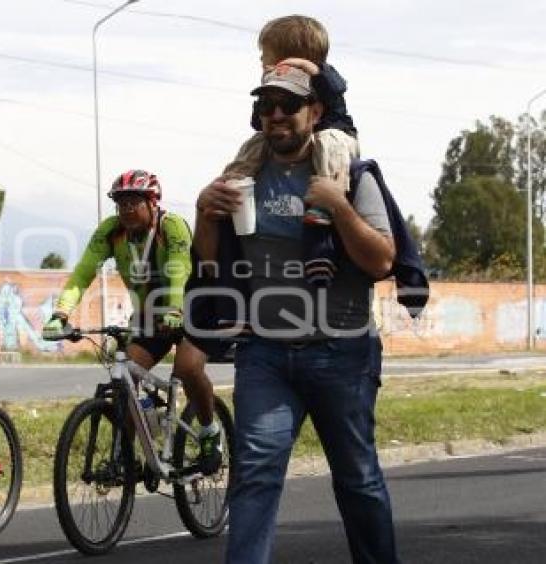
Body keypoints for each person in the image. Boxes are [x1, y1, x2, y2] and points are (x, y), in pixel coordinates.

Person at [193, 63, 401, 563]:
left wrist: (339, 207)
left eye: (289, 105)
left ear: (316, 111)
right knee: (255, 476)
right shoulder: (241, 176)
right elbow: (208, 260)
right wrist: (203, 211)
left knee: (358, 479)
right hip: (265, 352)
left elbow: (382, 259)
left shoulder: (351, 174)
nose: (277, 115)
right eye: (267, 106)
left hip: (342, 349)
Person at [41, 170, 223, 473]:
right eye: (120, 203)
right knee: (124, 382)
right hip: (149, 315)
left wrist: (175, 310)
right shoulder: (111, 231)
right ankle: (130, 454)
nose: (126, 210)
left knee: (188, 369)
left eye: (133, 202)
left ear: (153, 203)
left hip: (191, 308)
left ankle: (209, 431)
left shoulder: (172, 226)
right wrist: (61, 314)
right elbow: (84, 272)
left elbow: (179, 269)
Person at [225, 15, 358, 230]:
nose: (261, 62)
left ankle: (325, 201)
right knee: (257, 141)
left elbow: (336, 89)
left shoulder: (322, 77)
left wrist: (310, 69)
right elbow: (258, 124)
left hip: (336, 140)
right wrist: (269, 94)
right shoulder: (270, 86)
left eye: (265, 56)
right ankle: (233, 183)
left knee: (327, 140)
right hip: (299, 140)